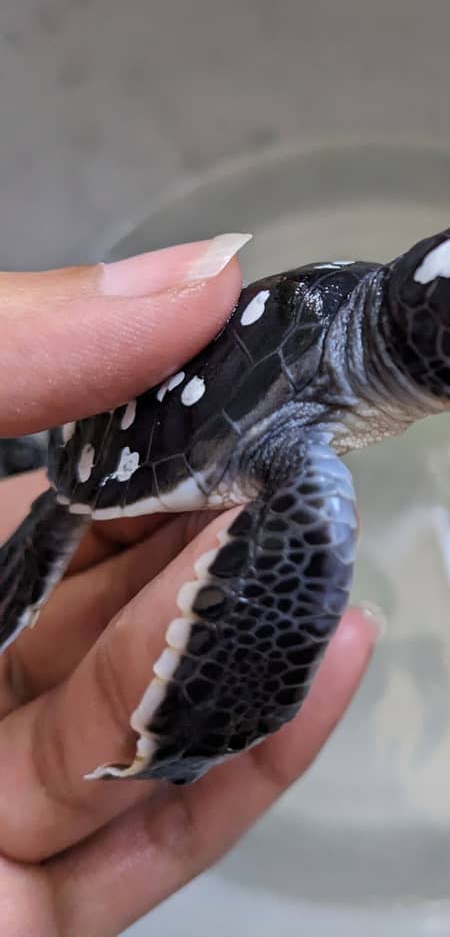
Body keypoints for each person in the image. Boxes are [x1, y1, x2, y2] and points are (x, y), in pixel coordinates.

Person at [0, 236, 380, 937]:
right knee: (306, 545)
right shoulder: (315, 431)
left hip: (168, 429)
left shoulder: (362, 295)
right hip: (135, 454)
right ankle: (181, 733)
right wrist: (210, 717)